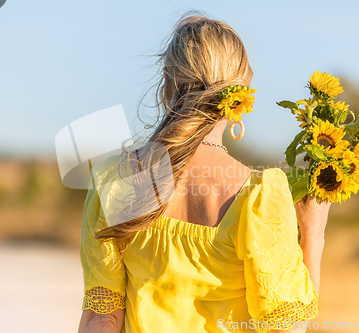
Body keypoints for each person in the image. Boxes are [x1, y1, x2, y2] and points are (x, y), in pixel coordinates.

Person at [77, 12, 330, 333]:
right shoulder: (260, 195)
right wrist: (313, 234)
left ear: (167, 84)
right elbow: (288, 327)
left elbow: (102, 319)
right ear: (239, 97)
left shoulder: (114, 181)